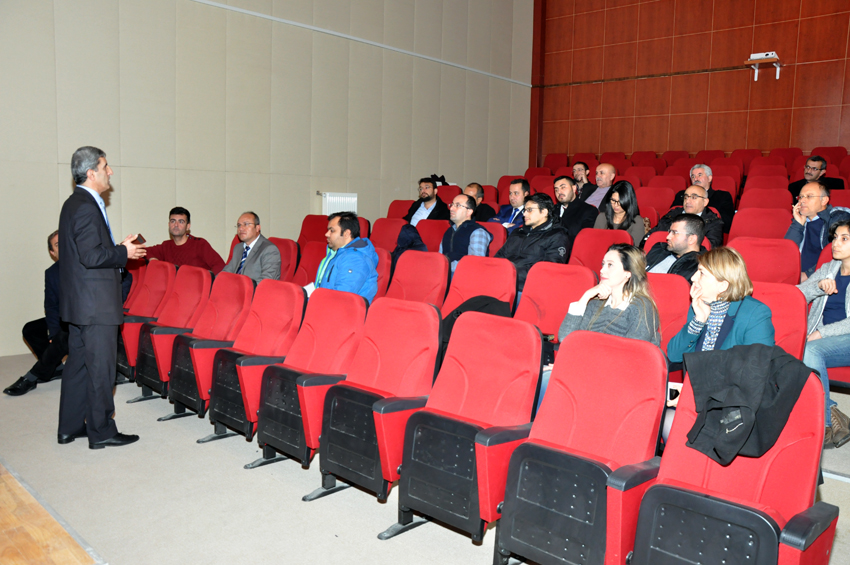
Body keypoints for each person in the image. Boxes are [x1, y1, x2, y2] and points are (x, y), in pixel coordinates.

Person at [58, 146, 145, 449]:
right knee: (101, 370)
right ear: (91, 173)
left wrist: (118, 248)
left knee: (79, 367)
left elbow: (87, 252)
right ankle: (102, 431)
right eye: (105, 166)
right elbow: (92, 256)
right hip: (96, 305)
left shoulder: (75, 203)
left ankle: (70, 427)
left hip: (81, 303)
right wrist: (123, 252)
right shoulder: (86, 206)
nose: (110, 172)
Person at [537, 243, 661, 408]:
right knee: (542, 376)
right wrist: (586, 297)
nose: (602, 270)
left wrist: (577, 368)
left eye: (610, 265)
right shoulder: (596, 302)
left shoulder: (642, 307)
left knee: (549, 380)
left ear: (627, 273)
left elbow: (631, 357)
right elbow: (565, 338)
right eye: (603, 264)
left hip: (619, 379)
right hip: (589, 370)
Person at [667, 247, 775, 363]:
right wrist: (698, 321)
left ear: (722, 286)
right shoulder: (699, 305)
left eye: (702, 273)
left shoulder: (755, 313)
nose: (693, 278)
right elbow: (674, 356)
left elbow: (757, 365)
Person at [797, 219, 850, 447]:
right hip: (823, 342)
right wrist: (817, 286)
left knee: (810, 350)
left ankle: (824, 425)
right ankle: (833, 413)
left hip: (839, 338)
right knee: (791, 352)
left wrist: (821, 333)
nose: (835, 243)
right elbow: (797, 295)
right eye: (835, 238)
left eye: (844, 239)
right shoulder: (829, 269)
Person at [4, 231, 69, 396]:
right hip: (63, 317)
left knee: (64, 333)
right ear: (52, 252)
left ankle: (31, 377)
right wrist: (53, 332)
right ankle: (56, 369)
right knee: (31, 329)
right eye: (57, 244)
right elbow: (51, 306)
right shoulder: (51, 272)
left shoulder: (86, 264)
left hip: (83, 318)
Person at [494, 193, 570, 293]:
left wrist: (509, 272)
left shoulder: (557, 236)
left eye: (529, 210)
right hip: (502, 280)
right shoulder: (518, 232)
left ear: (544, 212)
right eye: (525, 210)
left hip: (527, 289)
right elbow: (499, 256)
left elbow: (548, 270)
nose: (524, 214)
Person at [785, 181, 850, 280]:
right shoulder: (800, 220)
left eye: (809, 196)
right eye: (801, 197)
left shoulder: (837, 219)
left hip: (825, 277)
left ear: (824, 200)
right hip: (797, 276)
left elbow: (835, 256)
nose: (802, 201)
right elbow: (786, 252)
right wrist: (797, 224)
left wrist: (808, 275)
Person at [315, 211, 379, 303]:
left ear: (346, 234)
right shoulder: (336, 254)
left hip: (342, 310)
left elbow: (341, 298)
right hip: (326, 304)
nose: (327, 234)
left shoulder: (355, 259)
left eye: (332, 230)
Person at [145, 207, 225, 273]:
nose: (176, 225)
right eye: (173, 221)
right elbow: (144, 251)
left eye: (181, 222)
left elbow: (220, 265)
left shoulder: (200, 244)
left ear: (188, 226)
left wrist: (207, 281)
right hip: (175, 287)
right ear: (169, 224)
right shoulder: (166, 246)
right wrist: (152, 259)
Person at [642, 185, 723, 250]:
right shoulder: (671, 216)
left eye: (694, 197)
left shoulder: (713, 222)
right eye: (686, 197)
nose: (688, 201)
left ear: (705, 202)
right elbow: (650, 237)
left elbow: (709, 250)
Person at [670, 164, 735, 233]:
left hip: (707, 232)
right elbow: (670, 216)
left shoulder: (722, 196)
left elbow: (727, 222)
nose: (696, 179)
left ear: (709, 178)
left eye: (700, 175)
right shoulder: (682, 195)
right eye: (693, 176)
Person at [222, 212, 281, 282]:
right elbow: (226, 272)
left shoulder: (269, 249)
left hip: (255, 288)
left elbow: (266, 281)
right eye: (239, 225)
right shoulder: (238, 248)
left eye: (246, 224)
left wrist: (243, 287)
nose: (241, 228)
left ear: (257, 228)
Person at [439, 194, 492, 274]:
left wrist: (445, 266)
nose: (451, 208)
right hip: (445, 273)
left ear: (469, 212)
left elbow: (474, 263)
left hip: (465, 275)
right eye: (452, 205)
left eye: (457, 205)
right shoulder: (448, 231)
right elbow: (440, 257)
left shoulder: (478, 232)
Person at [645, 214, 706, 282]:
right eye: (670, 232)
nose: (668, 237)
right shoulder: (659, 248)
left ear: (691, 239)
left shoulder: (700, 267)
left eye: (674, 233)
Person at [553, 175, 597, 242]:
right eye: (556, 189)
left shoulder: (588, 210)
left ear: (574, 188)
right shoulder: (551, 210)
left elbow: (584, 239)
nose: (559, 192)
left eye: (563, 187)